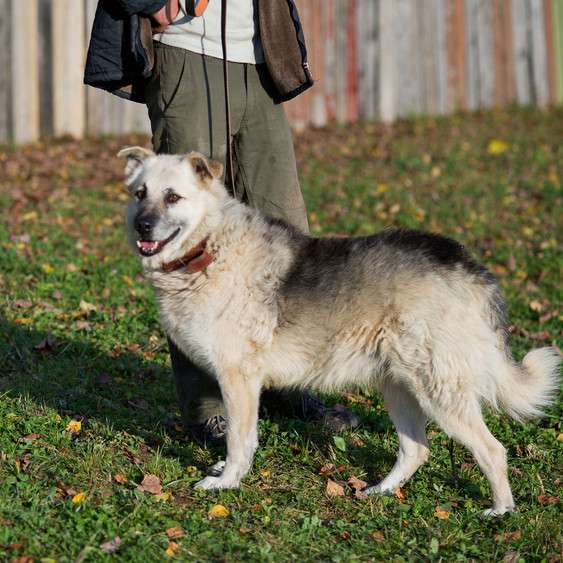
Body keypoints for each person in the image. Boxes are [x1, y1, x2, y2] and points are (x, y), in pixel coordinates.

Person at [84, 0, 359, 444]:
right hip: (187, 53)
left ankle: (287, 384)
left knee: (287, 227)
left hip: (259, 55)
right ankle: (207, 408)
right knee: (189, 246)